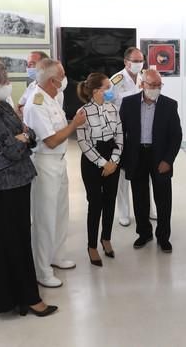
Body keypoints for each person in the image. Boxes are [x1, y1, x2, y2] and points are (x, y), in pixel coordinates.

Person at [0, 59, 57, 317]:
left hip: (16, 183)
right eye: (3, 81)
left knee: (19, 240)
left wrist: (23, 137)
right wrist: (21, 139)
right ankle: (22, 298)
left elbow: (29, 135)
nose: (8, 84)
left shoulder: (3, 107)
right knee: (7, 244)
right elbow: (13, 148)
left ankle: (22, 296)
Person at [23, 59, 87, 288]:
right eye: (62, 75)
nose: (64, 78)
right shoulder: (36, 103)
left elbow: (58, 129)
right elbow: (50, 140)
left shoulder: (50, 97)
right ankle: (42, 270)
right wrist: (76, 124)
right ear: (53, 80)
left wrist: (74, 123)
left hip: (59, 162)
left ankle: (57, 256)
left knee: (60, 213)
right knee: (45, 219)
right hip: (45, 163)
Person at [119, 69, 182, 253]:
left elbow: (176, 136)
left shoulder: (169, 105)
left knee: (163, 199)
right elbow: (120, 132)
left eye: (158, 85)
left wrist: (168, 160)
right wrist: (123, 159)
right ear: (142, 84)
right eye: (151, 85)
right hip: (137, 155)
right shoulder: (129, 103)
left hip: (159, 156)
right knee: (140, 198)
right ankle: (144, 233)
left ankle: (163, 237)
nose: (155, 88)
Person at [76, 73, 123, 267]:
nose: (110, 91)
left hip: (112, 156)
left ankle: (106, 238)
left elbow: (120, 135)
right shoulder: (83, 112)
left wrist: (113, 161)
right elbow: (83, 142)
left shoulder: (113, 108)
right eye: (107, 87)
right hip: (92, 160)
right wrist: (103, 164)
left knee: (110, 200)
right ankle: (92, 245)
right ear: (96, 91)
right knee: (95, 203)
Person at [109, 46, 157, 225]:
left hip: (144, 132)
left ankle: (149, 208)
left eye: (141, 60)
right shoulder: (116, 80)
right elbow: (109, 106)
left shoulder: (146, 77)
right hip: (123, 133)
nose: (139, 64)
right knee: (123, 173)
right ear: (126, 62)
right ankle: (123, 212)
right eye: (135, 61)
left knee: (146, 172)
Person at [17, 51, 56, 117]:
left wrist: (24, 108)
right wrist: (23, 108)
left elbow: (36, 111)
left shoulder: (52, 86)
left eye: (32, 64)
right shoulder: (32, 85)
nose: (28, 67)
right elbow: (18, 106)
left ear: (44, 65)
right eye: (27, 64)